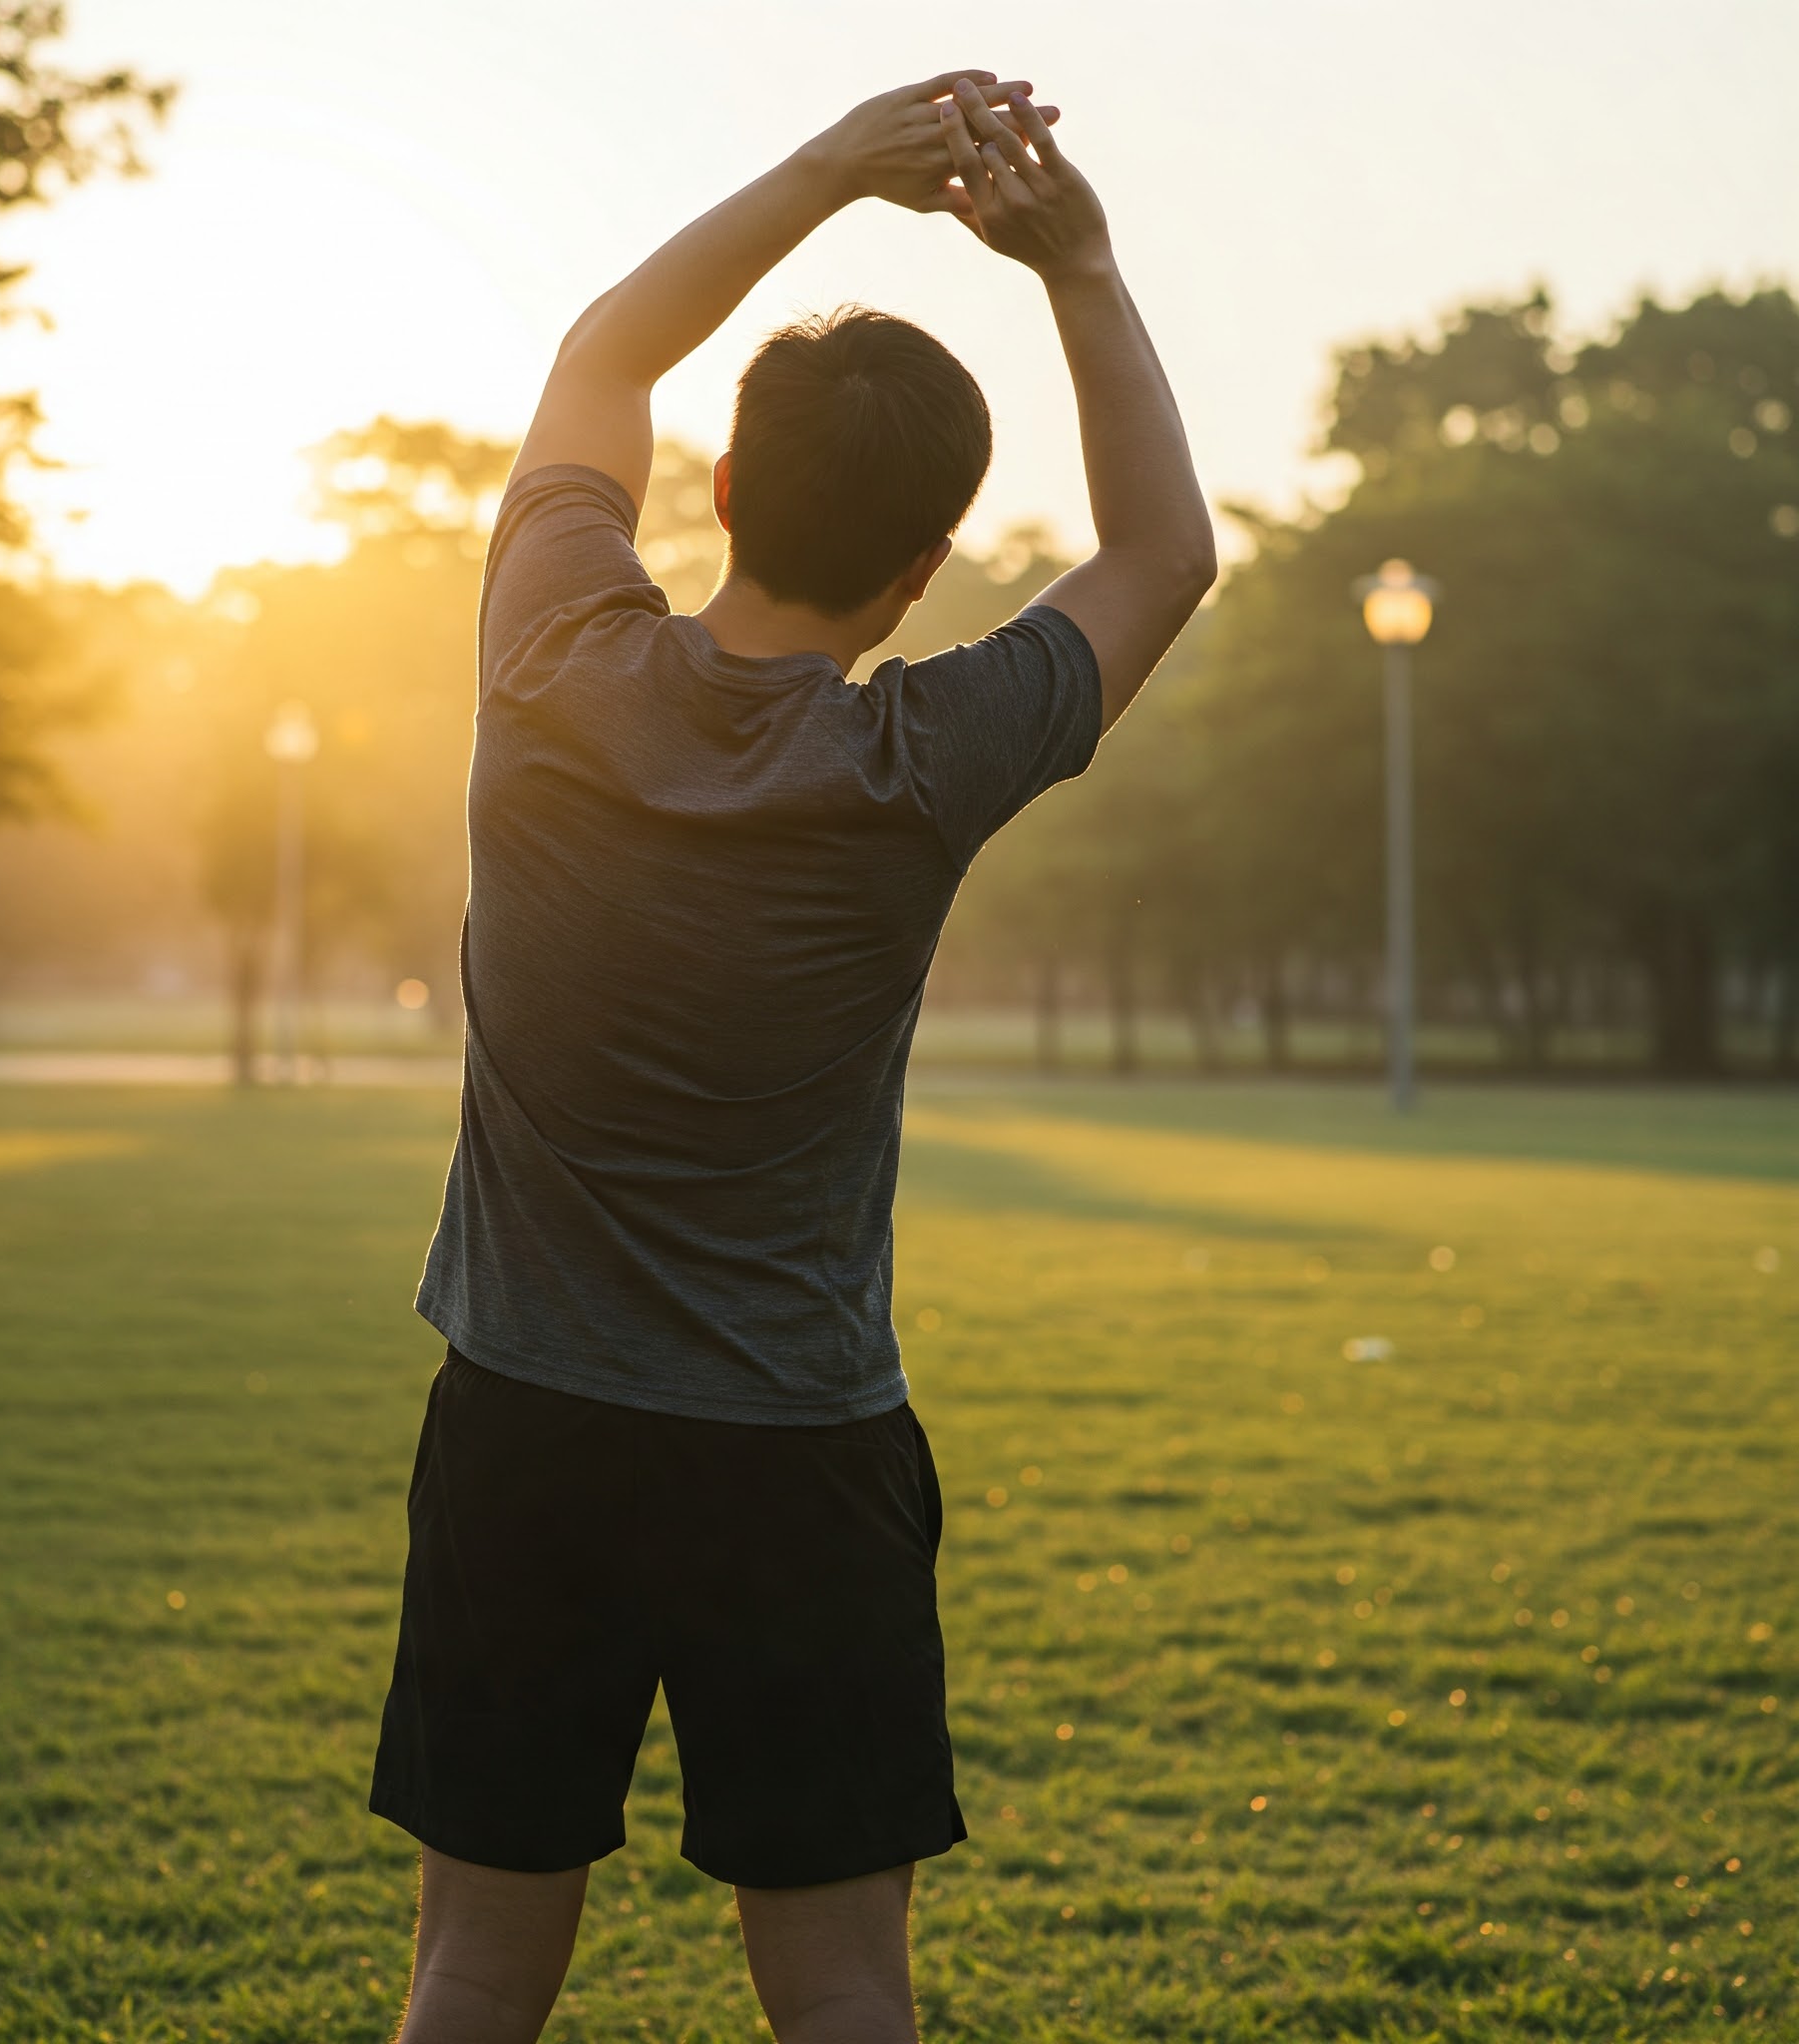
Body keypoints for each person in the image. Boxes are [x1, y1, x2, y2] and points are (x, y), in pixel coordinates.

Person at [368, 68, 1215, 2044]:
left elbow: (604, 347)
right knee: (838, 1986)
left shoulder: (549, 658)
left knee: (473, 1973)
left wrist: (838, 167)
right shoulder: (919, 762)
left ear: (721, 490)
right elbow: (1163, 556)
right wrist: (1077, 265)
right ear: (928, 566)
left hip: (523, 1428)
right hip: (803, 1461)